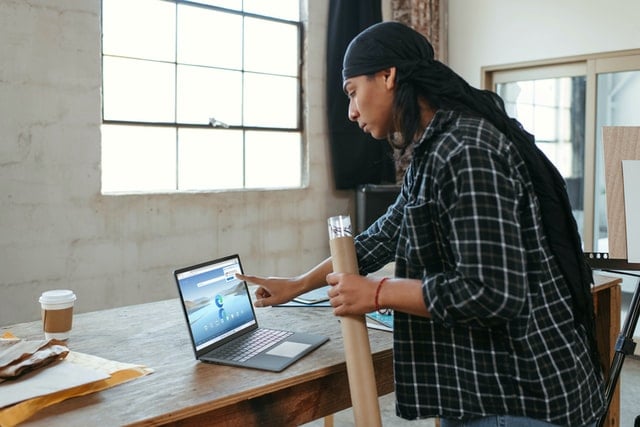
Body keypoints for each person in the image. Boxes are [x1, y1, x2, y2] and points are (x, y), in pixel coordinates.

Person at [238, 21, 604, 426]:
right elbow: (382, 237)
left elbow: (492, 294)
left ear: (388, 76)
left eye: (352, 92)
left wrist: (378, 292)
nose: (351, 111)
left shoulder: (465, 150)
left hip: (520, 395)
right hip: (488, 391)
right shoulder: (434, 150)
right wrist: (298, 284)